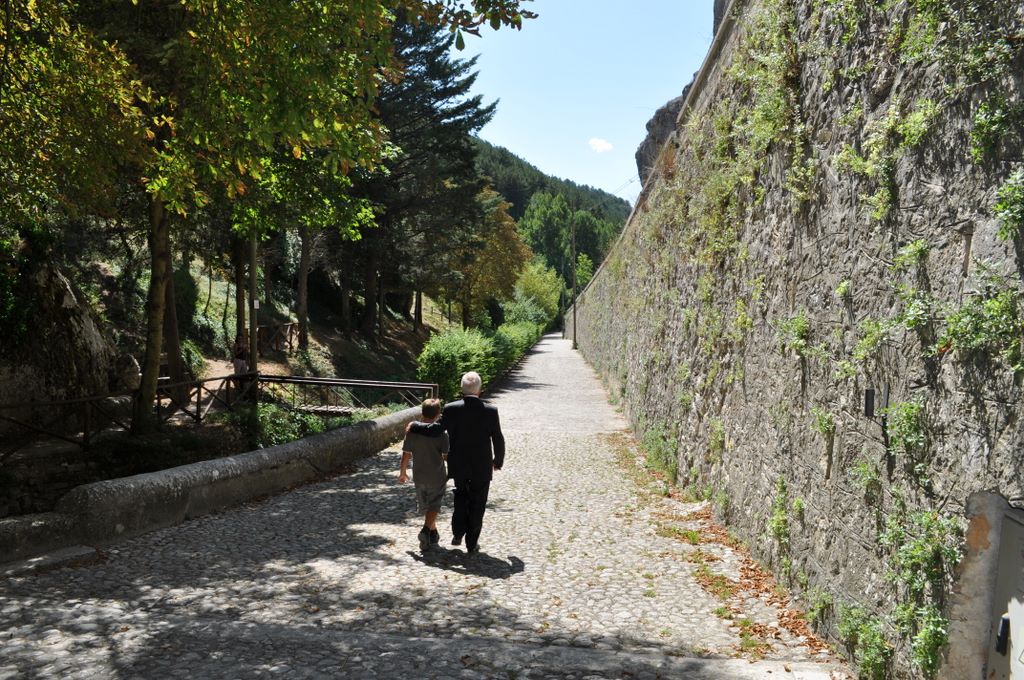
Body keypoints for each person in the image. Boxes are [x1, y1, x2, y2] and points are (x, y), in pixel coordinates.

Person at [409, 371, 504, 556]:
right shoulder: (490, 411)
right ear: (480, 390)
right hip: (481, 466)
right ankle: (472, 543)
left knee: (460, 497)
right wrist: (497, 461)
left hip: (458, 464)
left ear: (462, 389)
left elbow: (436, 429)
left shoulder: (452, 408)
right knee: (477, 503)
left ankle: (458, 533)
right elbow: (498, 438)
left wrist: (415, 426)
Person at [398, 398, 450, 552]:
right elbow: (446, 456)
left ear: (422, 413)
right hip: (437, 475)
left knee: (426, 506)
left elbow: (406, 454)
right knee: (434, 505)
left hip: (419, 475)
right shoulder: (443, 434)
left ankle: (433, 534)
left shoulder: (412, 431)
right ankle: (425, 531)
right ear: (438, 414)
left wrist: (402, 472)